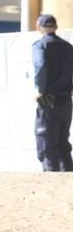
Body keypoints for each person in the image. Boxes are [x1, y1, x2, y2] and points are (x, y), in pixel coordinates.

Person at [32, 14, 73, 172]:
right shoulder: (68, 47)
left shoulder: (40, 46)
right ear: (55, 27)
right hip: (66, 103)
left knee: (47, 145)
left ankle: (52, 180)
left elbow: (41, 66)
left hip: (48, 102)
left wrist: (40, 90)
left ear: (39, 27)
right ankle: (69, 183)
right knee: (63, 144)